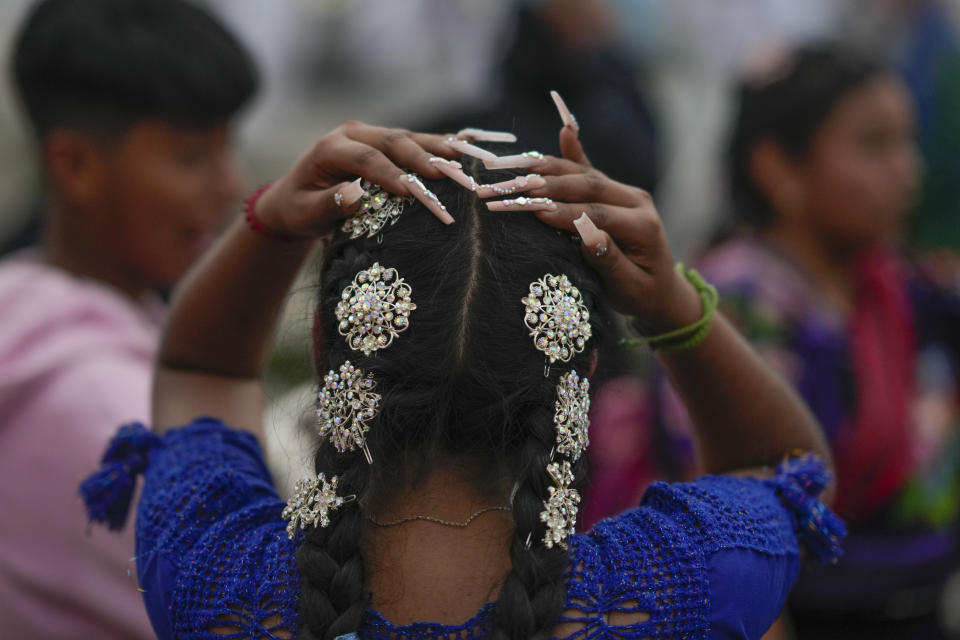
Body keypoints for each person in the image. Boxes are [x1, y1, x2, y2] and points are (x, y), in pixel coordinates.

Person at [82, 102, 843, 639]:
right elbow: (786, 470)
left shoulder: (216, 578)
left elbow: (199, 367)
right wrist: (674, 304)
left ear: (326, 349)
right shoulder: (674, 587)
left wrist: (273, 218)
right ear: (582, 369)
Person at [585, 45, 960, 638]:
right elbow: (733, 515)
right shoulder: (741, 304)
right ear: (779, 170)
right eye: (873, 146)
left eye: (906, 143)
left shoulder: (897, 285)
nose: (908, 171)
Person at [0, 1, 257, 637]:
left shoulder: (25, 308)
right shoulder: (112, 419)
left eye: (230, 147)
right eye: (191, 155)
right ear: (75, 165)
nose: (231, 184)